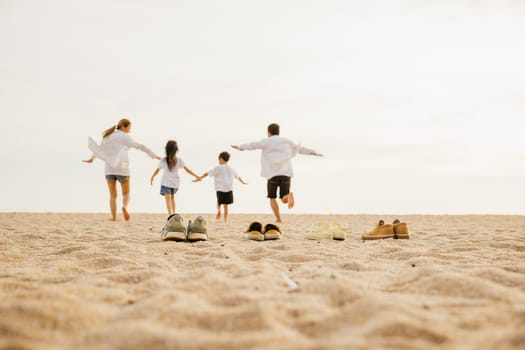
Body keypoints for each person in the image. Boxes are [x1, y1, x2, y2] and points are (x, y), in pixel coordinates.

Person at [231, 123, 322, 223]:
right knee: (284, 197)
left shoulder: (266, 141)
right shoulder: (287, 141)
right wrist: (315, 153)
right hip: (286, 173)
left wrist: (240, 147)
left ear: (268, 132)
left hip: (272, 174)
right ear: (278, 132)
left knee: (272, 197)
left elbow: (253, 145)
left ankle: (278, 218)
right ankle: (288, 196)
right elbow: (301, 149)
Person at [83, 118, 160, 221]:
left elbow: (100, 149)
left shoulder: (108, 136)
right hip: (122, 169)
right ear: (124, 126)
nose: (130, 130)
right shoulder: (125, 137)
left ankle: (114, 218)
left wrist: (91, 159)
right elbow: (140, 146)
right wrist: (153, 155)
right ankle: (124, 207)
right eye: (129, 128)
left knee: (112, 196)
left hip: (109, 169)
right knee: (126, 193)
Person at [194, 151, 247, 222]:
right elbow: (238, 177)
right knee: (226, 205)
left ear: (221, 159)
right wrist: (243, 182)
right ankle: (225, 219)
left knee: (219, 202)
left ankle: (219, 210)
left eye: (219, 159)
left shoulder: (218, 168)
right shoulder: (231, 169)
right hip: (228, 188)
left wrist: (200, 177)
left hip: (219, 188)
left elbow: (208, 173)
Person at [150, 140, 200, 216]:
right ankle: (173, 214)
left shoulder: (164, 160)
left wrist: (152, 177)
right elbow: (187, 170)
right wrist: (196, 176)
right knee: (172, 199)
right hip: (175, 183)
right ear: (176, 150)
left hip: (166, 183)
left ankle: (171, 215)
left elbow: (157, 170)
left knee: (168, 200)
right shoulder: (178, 160)